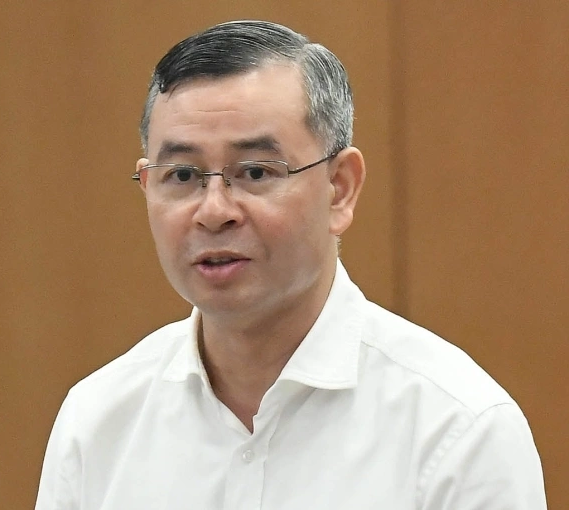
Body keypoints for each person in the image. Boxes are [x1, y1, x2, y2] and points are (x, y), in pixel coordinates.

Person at [35, 20, 546, 509]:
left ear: (339, 188)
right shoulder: (97, 422)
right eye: (183, 175)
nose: (213, 211)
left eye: (256, 172)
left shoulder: (457, 430)